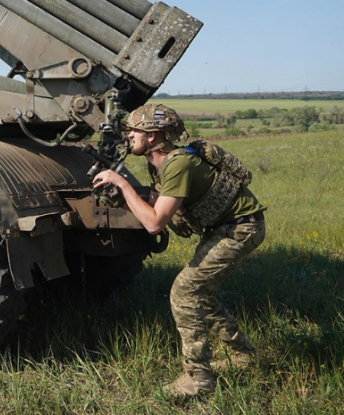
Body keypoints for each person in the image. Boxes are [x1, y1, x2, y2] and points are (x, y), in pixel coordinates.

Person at [91, 104, 266, 397]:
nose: (129, 135)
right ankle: (243, 356)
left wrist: (121, 182)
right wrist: (122, 199)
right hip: (228, 227)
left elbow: (155, 224)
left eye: (135, 130)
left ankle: (197, 379)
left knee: (185, 292)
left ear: (152, 135)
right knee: (201, 294)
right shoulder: (161, 165)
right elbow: (158, 211)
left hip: (241, 228)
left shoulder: (178, 165)